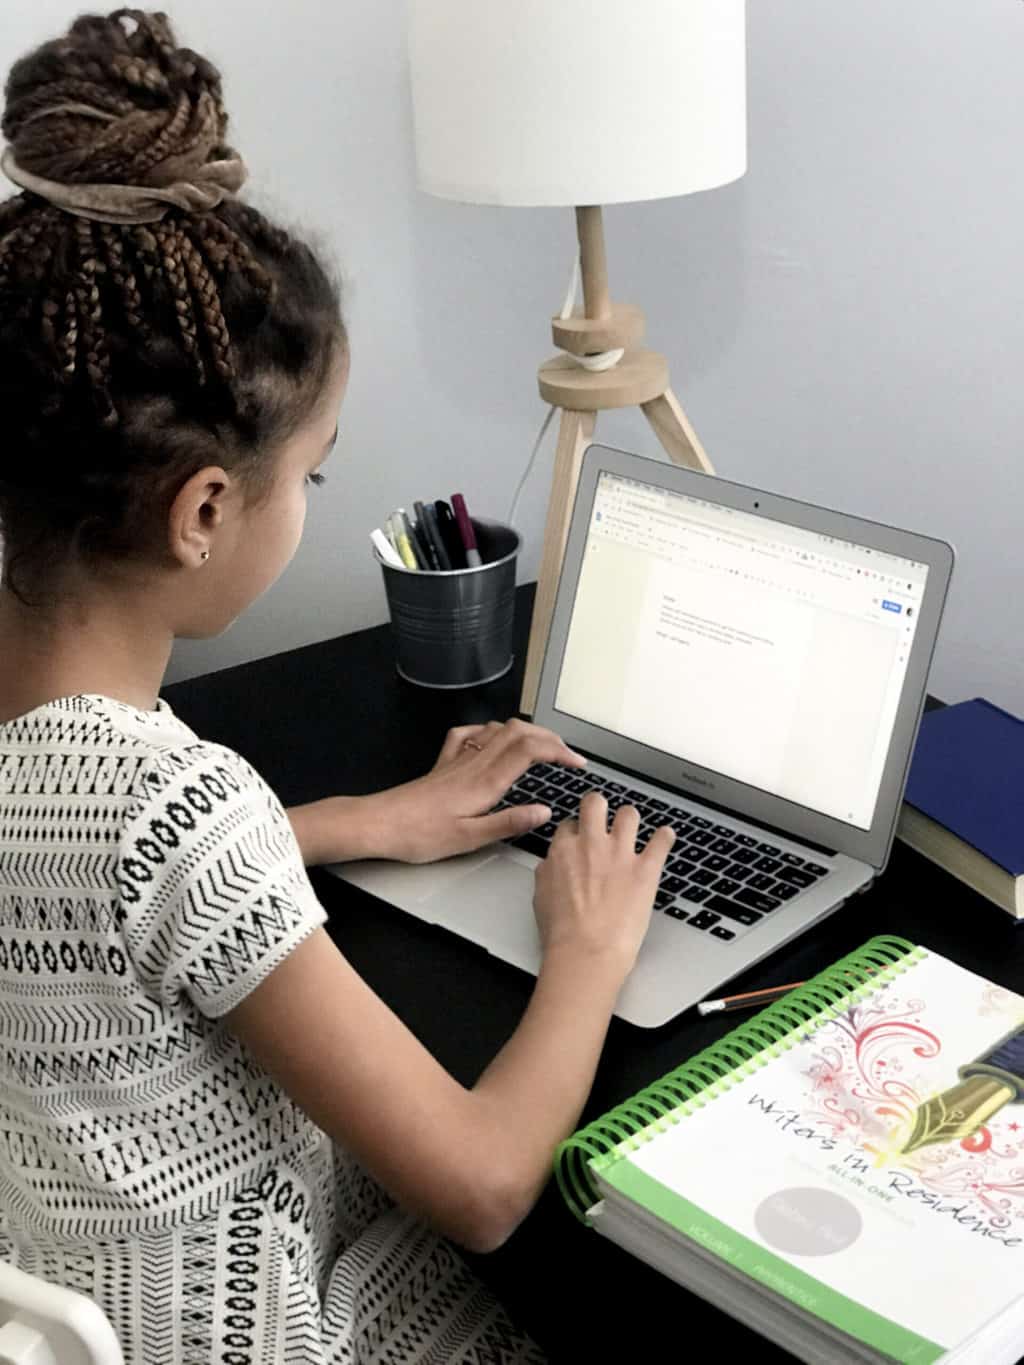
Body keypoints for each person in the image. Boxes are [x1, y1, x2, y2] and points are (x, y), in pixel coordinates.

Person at [0, 11, 674, 1363]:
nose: (309, 503)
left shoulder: (56, 759)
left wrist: (354, 821)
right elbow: (481, 1187)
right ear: (203, 508)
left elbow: (79, 891)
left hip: (80, 1289)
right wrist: (591, 957)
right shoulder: (173, 802)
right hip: (256, 1328)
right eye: (309, 477)